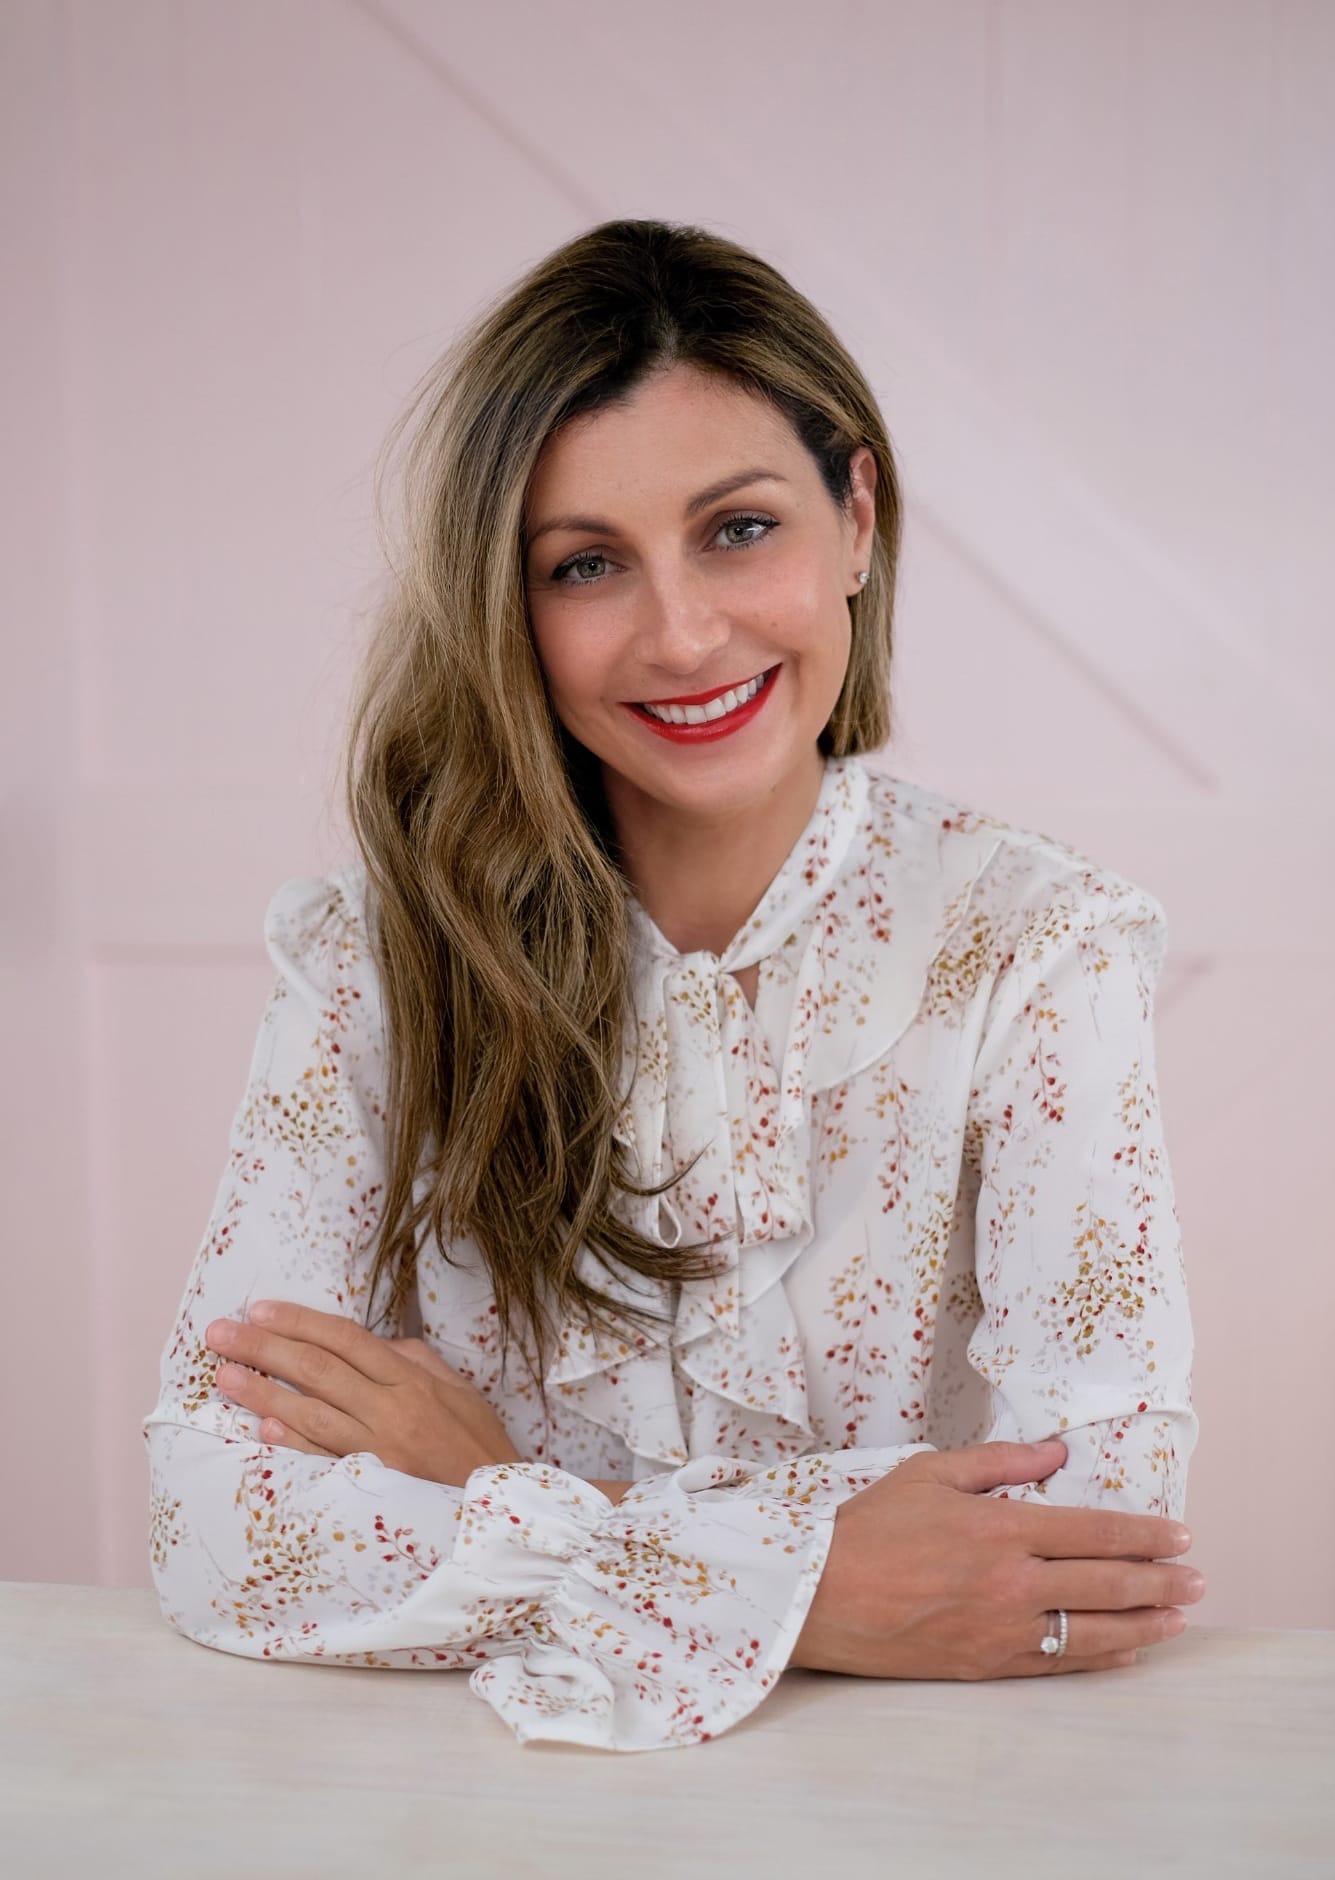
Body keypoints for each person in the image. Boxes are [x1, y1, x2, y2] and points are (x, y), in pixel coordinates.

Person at [141, 218, 1203, 1754]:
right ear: (508, 611)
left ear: (855, 519)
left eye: (737, 529)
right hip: (453, 1812)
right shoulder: (373, 961)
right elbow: (211, 1519)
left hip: (923, 1802)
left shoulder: (1040, 949)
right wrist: (826, 1579)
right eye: (585, 565)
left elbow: (1092, 1528)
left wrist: (491, 1485)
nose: (681, 632)